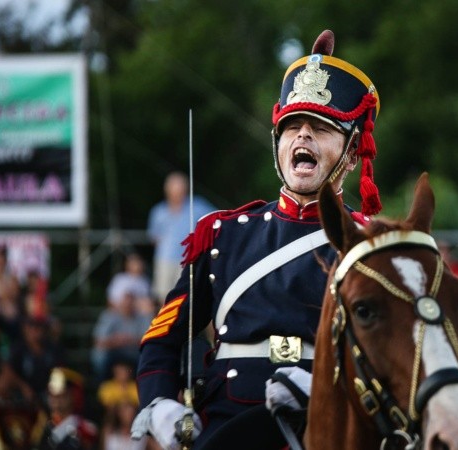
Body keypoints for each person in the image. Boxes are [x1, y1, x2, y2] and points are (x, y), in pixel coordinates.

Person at [132, 29, 383, 450]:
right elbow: (163, 336)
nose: (302, 136)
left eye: (320, 128)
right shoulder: (222, 235)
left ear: (353, 153)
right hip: (227, 425)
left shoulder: (371, 245)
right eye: (292, 127)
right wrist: (158, 402)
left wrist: (326, 386)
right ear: (278, 143)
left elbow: (396, 358)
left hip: (332, 426)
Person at [147, 171, 217, 303]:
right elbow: (154, 237)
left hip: (190, 260)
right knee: (164, 297)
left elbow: (216, 221)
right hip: (165, 260)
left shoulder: (198, 207)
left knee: (189, 296)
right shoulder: (158, 211)